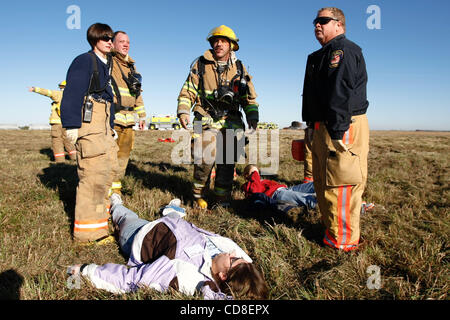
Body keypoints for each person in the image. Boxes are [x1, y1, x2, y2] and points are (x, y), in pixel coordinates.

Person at [66, 194, 268, 300]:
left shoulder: (184, 273)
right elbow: (243, 265)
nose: (233, 253)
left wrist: (85, 271)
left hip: (140, 235)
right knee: (174, 217)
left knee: (126, 217)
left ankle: (116, 204)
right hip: (176, 227)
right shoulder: (221, 262)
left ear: (223, 276)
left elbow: (133, 280)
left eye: (233, 259)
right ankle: (171, 211)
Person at [301, 7, 370, 251]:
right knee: (322, 182)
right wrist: (310, 125)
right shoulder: (320, 56)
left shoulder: (344, 51)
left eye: (323, 21)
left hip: (341, 126)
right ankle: (331, 230)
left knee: (340, 184)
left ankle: (344, 241)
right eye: (315, 21)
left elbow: (340, 94)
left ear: (339, 24)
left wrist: (338, 132)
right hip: (322, 127)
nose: (317, 25)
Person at [176, 25, 259, 209]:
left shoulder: (239, 67)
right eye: (216, 40)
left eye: (223, 41)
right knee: (204, 158)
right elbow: (188, 91)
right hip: (206, 117)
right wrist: (183, 111)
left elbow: (249, 97)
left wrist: (253, 118)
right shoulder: (200, 64)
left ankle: (222, 198)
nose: (218, 44)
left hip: (232, 121)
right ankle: (198, 195)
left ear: (231, 45)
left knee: (228, 162)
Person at [60, 23, 121, 244]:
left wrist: (111, 127)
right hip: (90, 124)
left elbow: (109, 99)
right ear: (94, 39)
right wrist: (71, 126)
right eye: (104, 37)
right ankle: (88, 234)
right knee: (93, 176)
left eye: (111, 38)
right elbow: (72, 92)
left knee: (105, 174)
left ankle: (99, 225)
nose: (109, 41)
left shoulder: (107, 64)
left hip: (103, 126)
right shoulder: (84, 60)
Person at [110, 31, 147, 193]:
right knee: (108, 156)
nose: (126, 45)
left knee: (123, 157)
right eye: (121, 41)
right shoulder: (107, 61)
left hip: (128, 120)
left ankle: (116, 190)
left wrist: (142, 115)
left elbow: (137, 93)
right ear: (112, 43)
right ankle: (105, 190)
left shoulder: (132, 66)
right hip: (112, 119)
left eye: (128, 42)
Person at [28, 81, 76, 163]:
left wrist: (35, 89)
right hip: (68, 123)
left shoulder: (58, 94)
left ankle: (60, 161)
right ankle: (74, 157)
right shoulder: (74, 96)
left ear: (62, 87)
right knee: (68, 140)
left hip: (57, 123)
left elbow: (47, 92)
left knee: (57, 141)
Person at [242, 164, 317, 210]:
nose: (256, 175)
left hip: (285, 189)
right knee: (309, 199)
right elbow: (256, 192)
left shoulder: (262, 181)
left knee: (315, 185)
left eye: (257, 173)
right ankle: (325, 206)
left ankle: (326, 194)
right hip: (276, 194)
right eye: (252, 173)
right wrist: (254, 176)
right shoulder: (248, 185)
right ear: (246, 175)